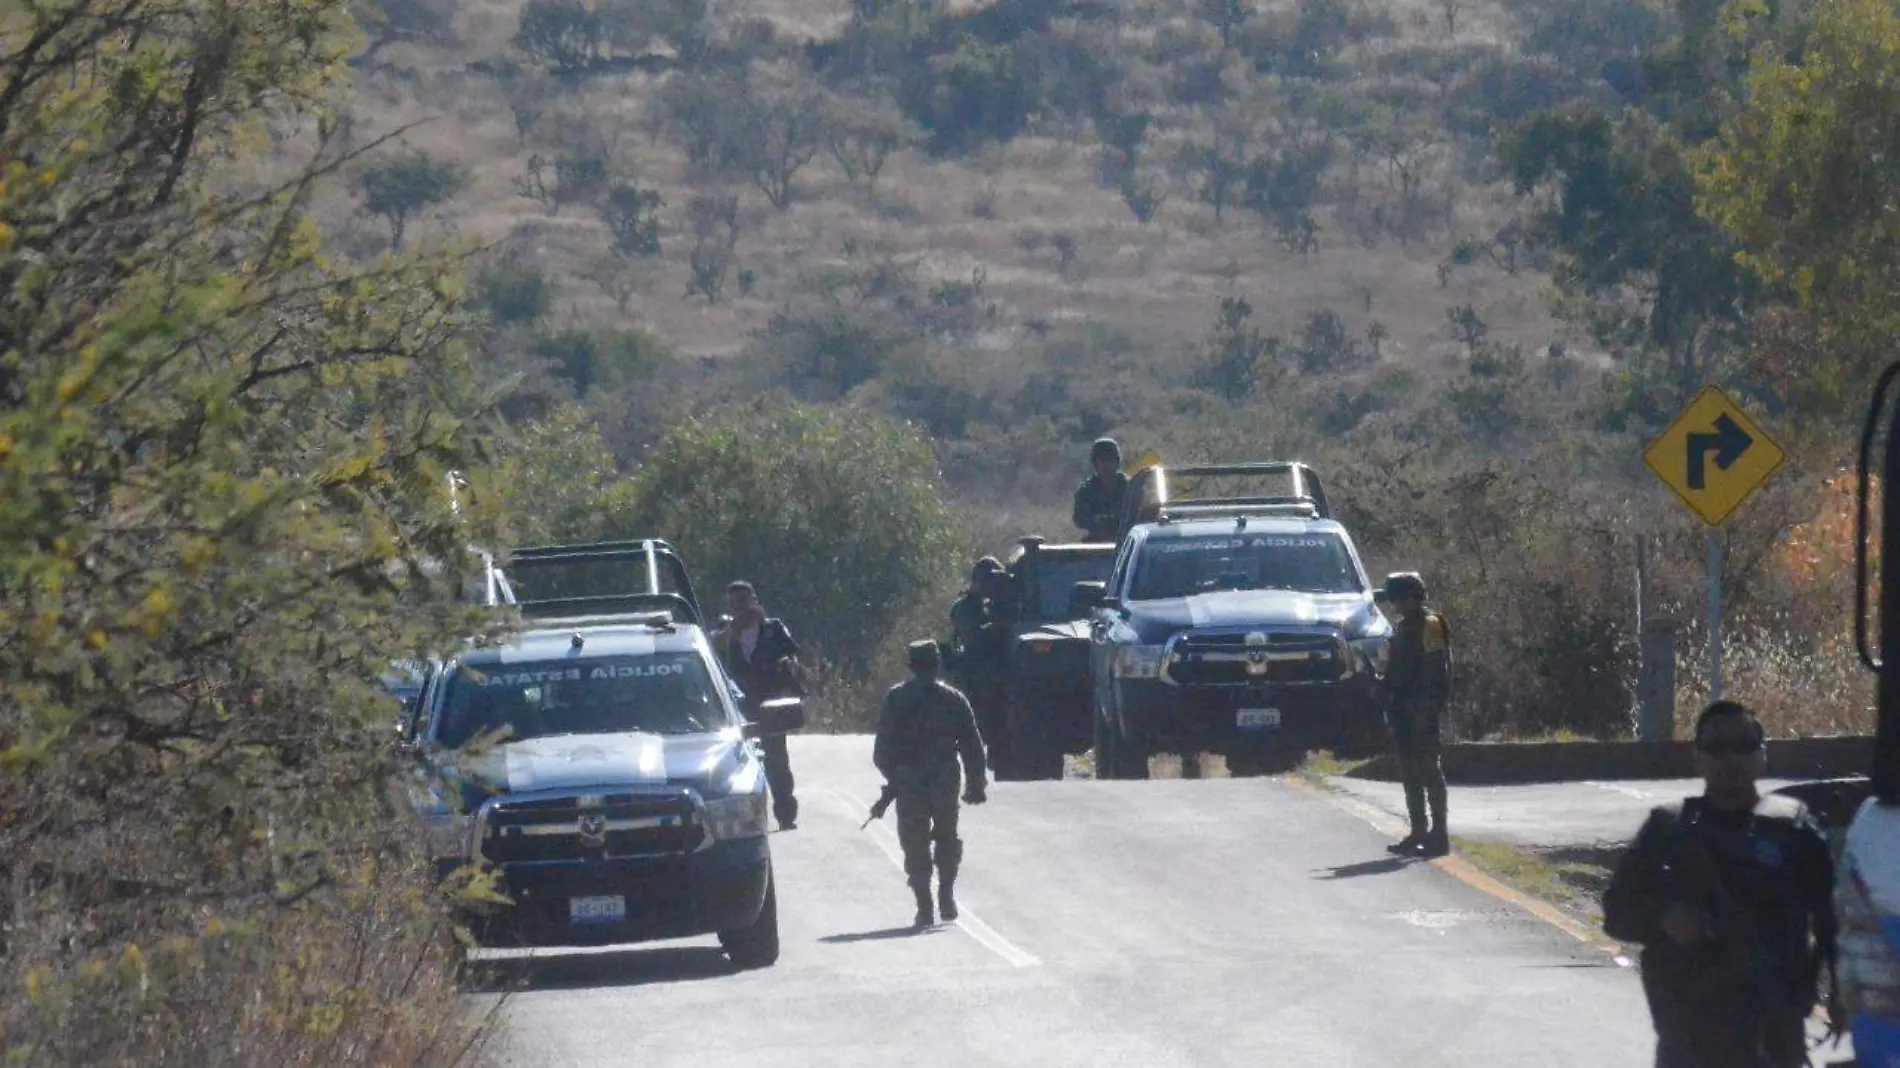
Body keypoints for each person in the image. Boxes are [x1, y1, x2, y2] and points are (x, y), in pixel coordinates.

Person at [1602, 700, 1839, 1068]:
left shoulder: (1793, 831)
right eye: (1717, 748)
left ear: (1762, 755)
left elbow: (1832, 924)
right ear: (1697, 758)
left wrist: (1840, 996)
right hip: (1691, 1037)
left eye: (1744, 746)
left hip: (1774, 1032)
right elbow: (1616, 912)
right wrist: (1663, 916)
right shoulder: (1668, 830)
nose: (1731, 759)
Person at [872, 640, 988, 928]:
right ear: (937, 665)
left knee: (914, 842)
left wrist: (894, 778)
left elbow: (881, 750)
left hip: (911, 778)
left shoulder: (897, 698)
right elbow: (972, 746)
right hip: (944, 776)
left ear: (910, 665)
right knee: (946, 835)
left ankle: (925, 903)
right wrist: (976, 783)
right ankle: (945, 891)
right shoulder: (954, 698)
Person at [715, 580, 803, 831]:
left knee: (777, 760)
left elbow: (792, 655)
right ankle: (746, 818)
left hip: (770, 703)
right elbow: (714, 651)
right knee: (740, 763)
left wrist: (789, 667)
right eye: (734, 602)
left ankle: (786, 814)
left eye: (743, 599)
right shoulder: (724, 631)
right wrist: (732, 630)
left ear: (754, 599)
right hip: (738, 708)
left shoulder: (772, 628)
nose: (739, 606)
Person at [1377, 571, 1452, 858]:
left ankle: (1439, 834)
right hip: (1403, 707)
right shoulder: (1402, 627)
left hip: (1422, 708)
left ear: (1411, 598)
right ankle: (1418, 830)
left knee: (1429, 769)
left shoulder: (1430, 625)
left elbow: (1435, 671)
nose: (1393, 605)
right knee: (1409, 771)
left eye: (1396, 599)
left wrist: (1426, 707)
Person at [949, 557, 1014, 778]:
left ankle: (1001, 757)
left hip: (1002, 673)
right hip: (975, 674)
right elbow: (972, 638)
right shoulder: (965, 607)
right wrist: (994, 627)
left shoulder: (1004, 604)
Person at [1071, 437, 1130, 542]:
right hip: (1096, 542)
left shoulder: (1129, 488)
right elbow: (1078, 517)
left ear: (1116, 462)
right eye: (1102, 460)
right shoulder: (1086, 491)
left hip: (1125, 540)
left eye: (1109, 460)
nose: (1105, 465)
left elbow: (1141, 515)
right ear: (1095, 463)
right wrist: (1094, 520)